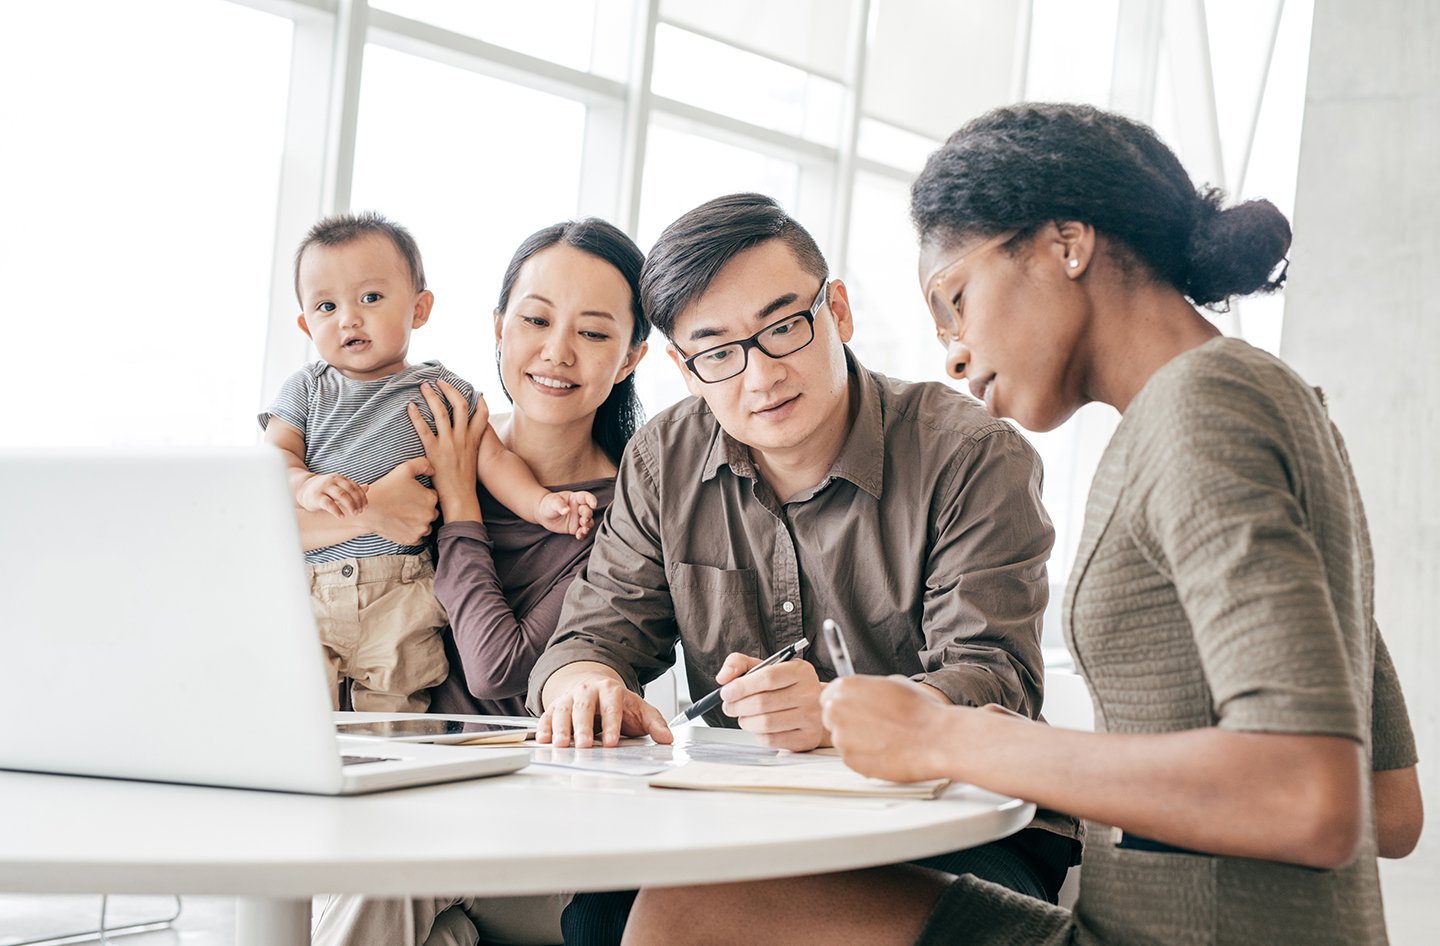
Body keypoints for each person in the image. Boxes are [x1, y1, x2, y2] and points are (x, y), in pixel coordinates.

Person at [621, 103, 1425, 946]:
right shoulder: (1258, 398)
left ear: (1065, 243)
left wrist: (945, 734)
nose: (953, 351)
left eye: (955, 297)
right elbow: (1389, 802)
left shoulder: (1204, 413)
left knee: (687, 908)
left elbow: (1307, 795)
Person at [526, 193, 1081, 945]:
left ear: (838, 313)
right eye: (718, 352)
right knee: (598, 916)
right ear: (685, 369)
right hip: (749, 814)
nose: (760, 377)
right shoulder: (664, 458)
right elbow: (596, 631)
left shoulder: (969, 455)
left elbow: (995, 678)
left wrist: (833, 713)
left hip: (955, 821)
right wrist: (582, 680)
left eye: (784, 327)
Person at [309, 218, 651, 946]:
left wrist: (461, 504)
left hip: (539, 836)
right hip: (402, 797)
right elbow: (289, 538)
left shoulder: (625, 514)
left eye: (593, 333)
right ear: (498, 328)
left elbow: (501, 669)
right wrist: (369, 506)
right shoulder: (436, 434)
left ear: (631, 358)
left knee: (384, 880)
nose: (556, 352)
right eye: (534, 320)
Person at [260, 212, 597, 713]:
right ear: (308, 324)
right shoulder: (306, 390)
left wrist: (541, 504)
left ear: (419, 309)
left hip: (404, 591)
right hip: (312, 590)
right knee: (294, 712)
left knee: (393, 717)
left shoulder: (442, 392)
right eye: (326, 306)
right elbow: (273, 463)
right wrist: (306, 487)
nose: (348, 318)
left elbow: (493, 459)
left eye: (370, 298)